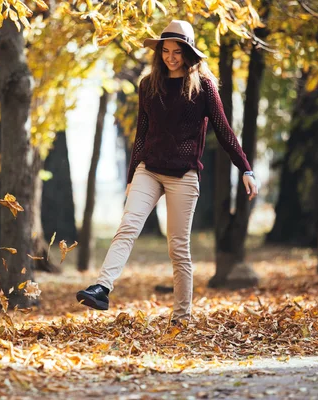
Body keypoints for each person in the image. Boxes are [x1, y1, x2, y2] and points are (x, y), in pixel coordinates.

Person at [76, 20, 259, 324]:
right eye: (165, 51)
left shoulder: (203, 87)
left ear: (188, 53)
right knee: (127, 227)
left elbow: (224, 132)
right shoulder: (148, 85)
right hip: (150, 169)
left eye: (177, 51)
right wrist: (133, 174)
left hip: (184, 175)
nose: (170, 57)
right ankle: (101, 288)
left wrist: (246, 169)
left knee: (178, 249)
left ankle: (182, 318)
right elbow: (142, 133)